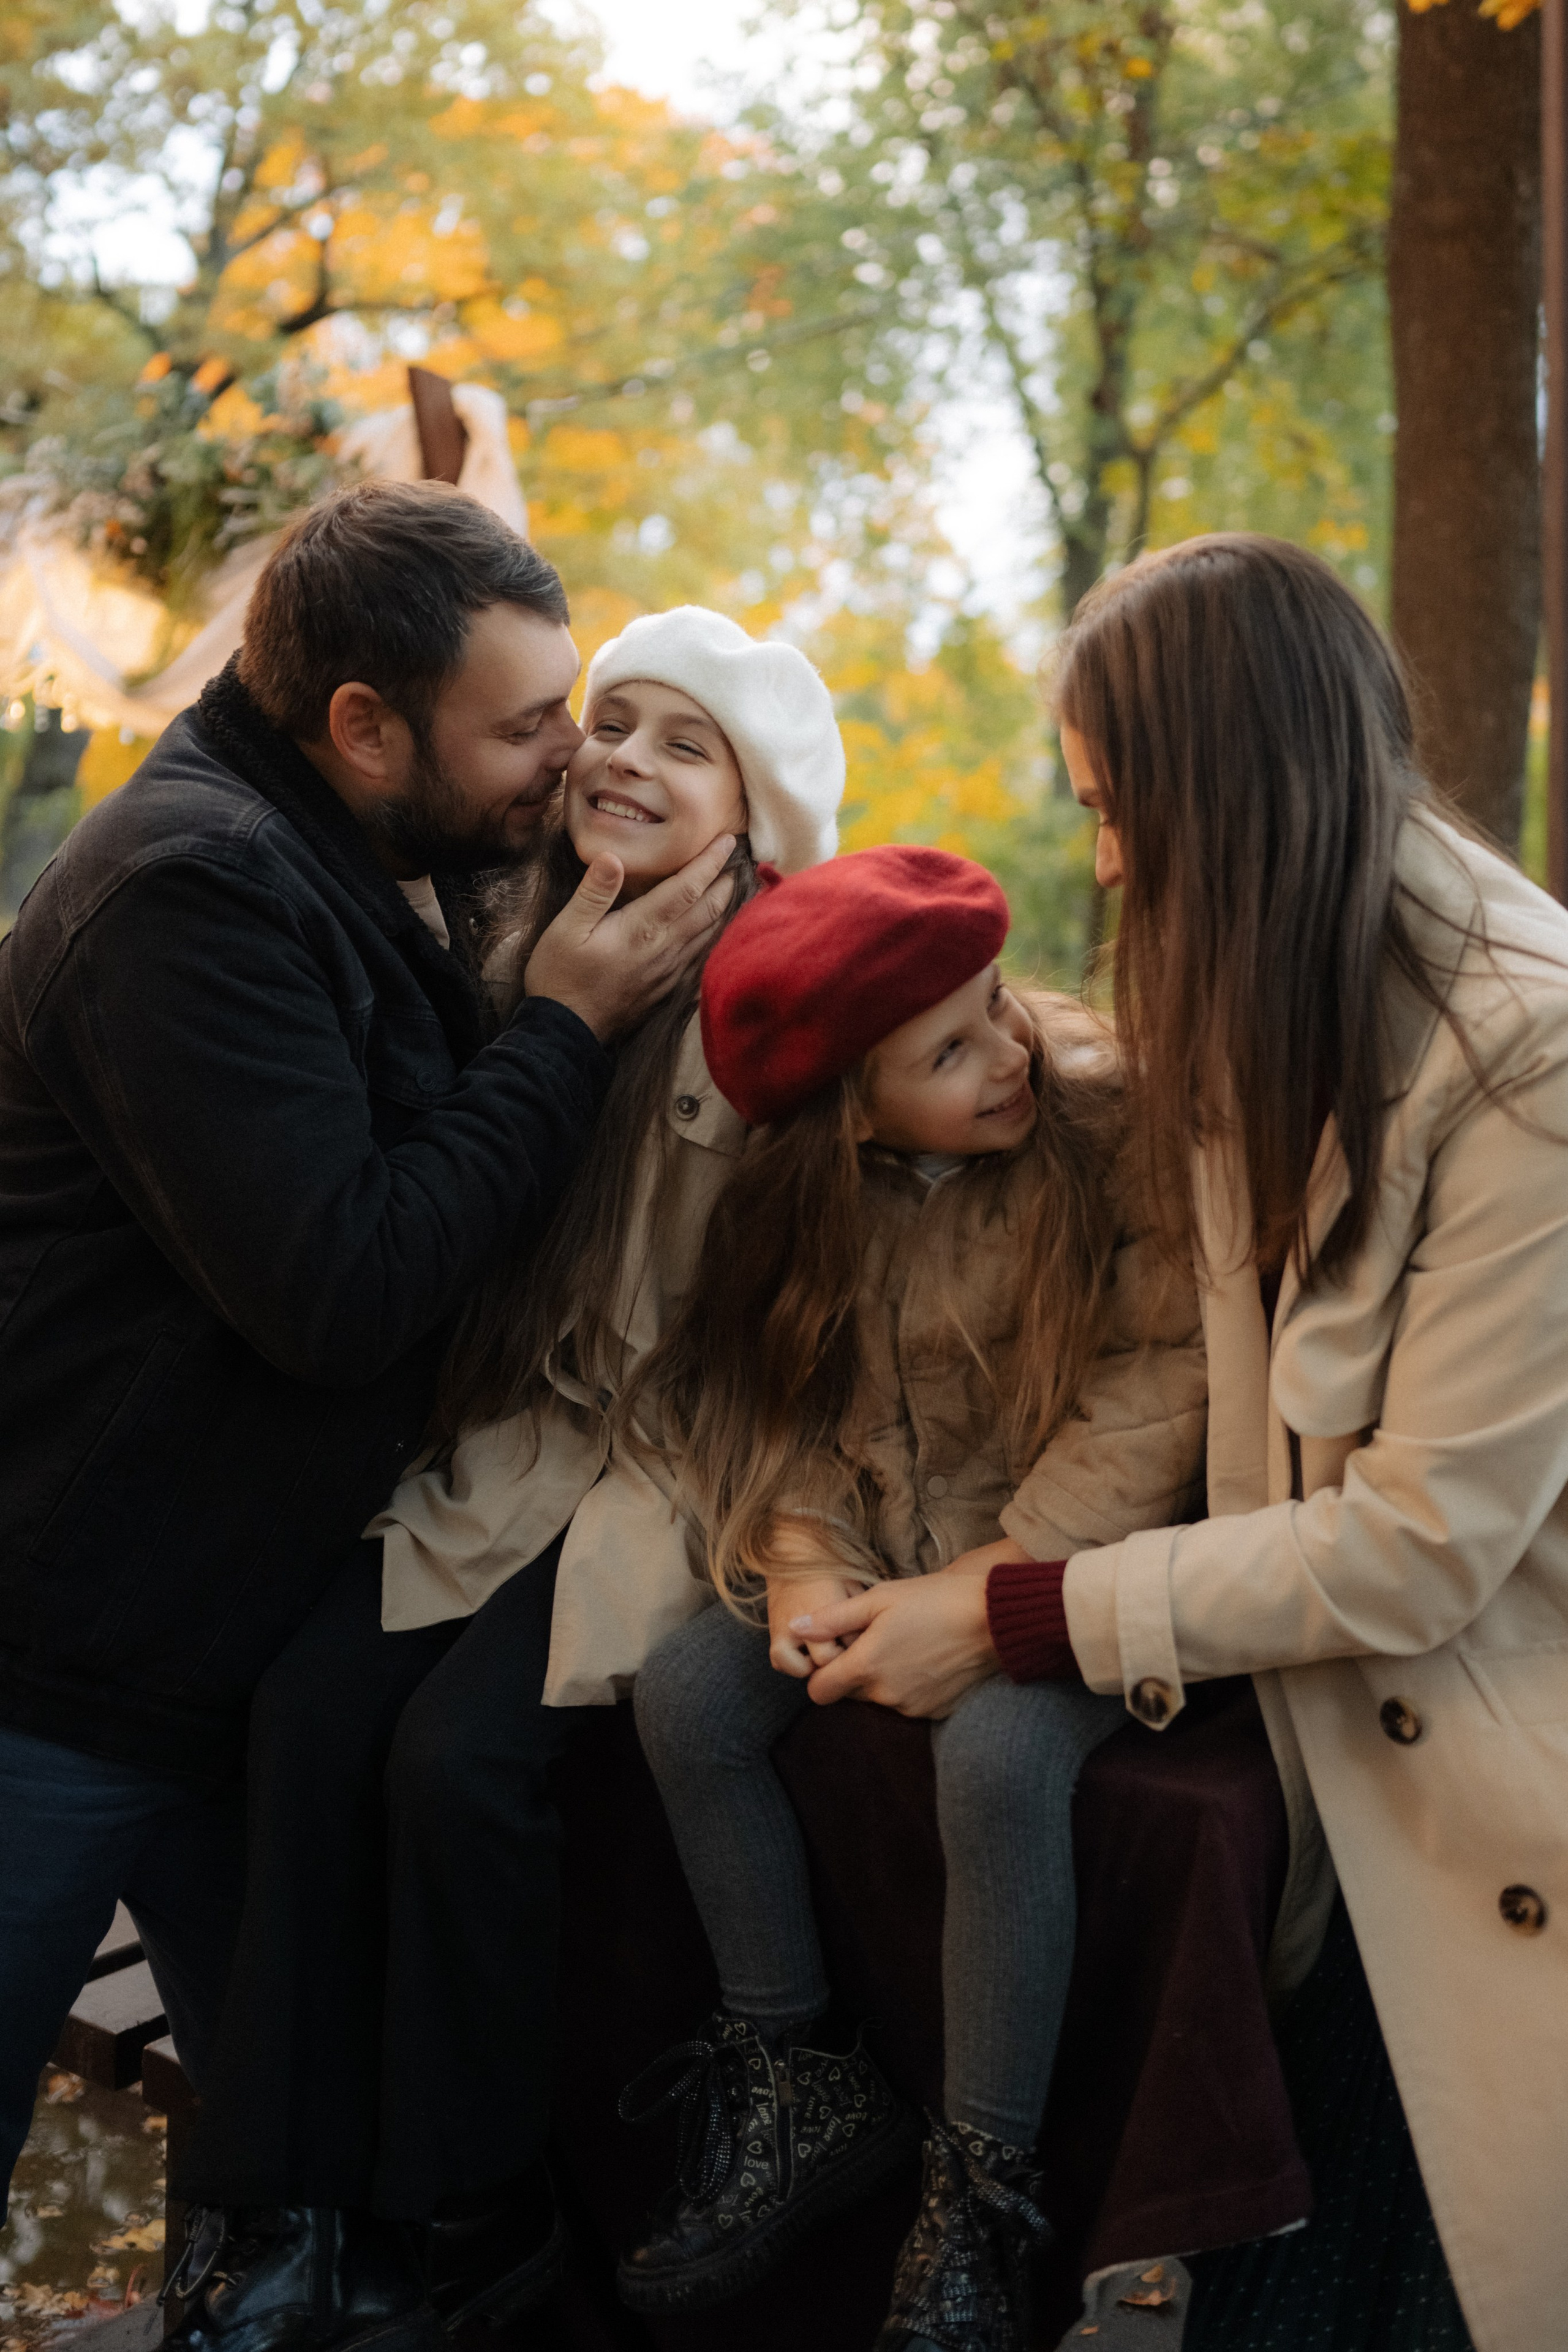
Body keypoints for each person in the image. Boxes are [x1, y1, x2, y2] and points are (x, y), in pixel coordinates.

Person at [790, 535, 1568, 2352]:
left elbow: (1421, 1545)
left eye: (1119, 806)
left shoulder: (1527, 1058)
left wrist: (1019, 1610)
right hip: (1311, 1795)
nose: (1109, 858)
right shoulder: (1238, 982)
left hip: (1483, 1817)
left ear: (1232, 787)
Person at [0, 480, 735, 2214]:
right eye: (529, 726)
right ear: (361, 725)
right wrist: (569, 1020)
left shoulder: (348, 863)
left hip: (220, 1665)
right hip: (54, 1673)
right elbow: (341, 1283)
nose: (564, 761)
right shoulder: (194, 891)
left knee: (282, 2157)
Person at [163, 608, 846, 2352]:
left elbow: (793, 1330)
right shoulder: (514, 948)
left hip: (681, 1464)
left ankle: (474, 2217)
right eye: (608, 723)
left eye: (682, 746)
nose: (619, 757)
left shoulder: (775, 1009)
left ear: (754, 821)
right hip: (516, 1441)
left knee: (465, 1763)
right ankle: (274, 2212)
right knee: (311, 1711)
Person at [616, 845, 1208, 2352]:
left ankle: (981, 2174)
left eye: (995, 1008)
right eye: (947, 1054)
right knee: (689, 1699)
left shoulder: (1100, 1126)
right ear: (844, 1115)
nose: (1005, 1052)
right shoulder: (809, 1202)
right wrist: (807, 1556)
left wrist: (997, 1582)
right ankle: (792, 2062)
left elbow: (1158, 1378)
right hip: (888, 1553)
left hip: (1069, 1574)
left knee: (997, 1761)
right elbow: (776, 1397)